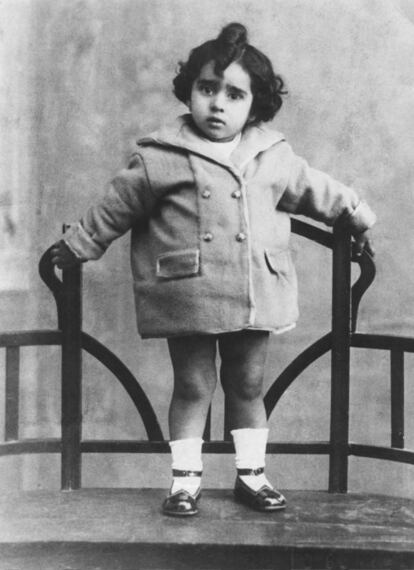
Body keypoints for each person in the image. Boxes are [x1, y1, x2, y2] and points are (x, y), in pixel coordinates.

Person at [51, 22, 376, 517]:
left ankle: (252, 476)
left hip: (254, 290)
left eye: (234, 94)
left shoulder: (273, 154)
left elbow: (316, 189)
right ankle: (184, 483)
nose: (218, 104)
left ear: (255, 104)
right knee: (193, 385)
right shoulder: (160, 155)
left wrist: (354, 215)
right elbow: (115, 206)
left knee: (247, 385)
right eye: (207, 89)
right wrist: (79, 243)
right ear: (190, 92)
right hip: (190, 291)